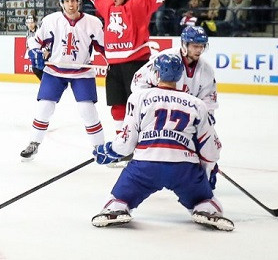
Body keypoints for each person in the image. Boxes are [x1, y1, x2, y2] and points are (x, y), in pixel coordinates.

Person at [90, 53, 233, 231]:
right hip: (184, 169)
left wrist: (109, 150)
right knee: (205, 199)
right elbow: (210, 148)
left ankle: (116, 208)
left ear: (156, 74)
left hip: (145, 167)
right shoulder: (197, 104)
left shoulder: (139, 97)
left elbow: (126, 142)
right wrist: (210, 169)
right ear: (180, 76)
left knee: (118, 199)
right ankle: (206, 209)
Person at [83, 0, 170, 139]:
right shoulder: (108, 5)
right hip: (113, 66)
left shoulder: (138, 3)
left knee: (138, 104)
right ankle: (122, 141)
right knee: (117, 104)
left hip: (136, 64)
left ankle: (142, 139)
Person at [20, 0, 106, 160]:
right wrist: (34, 52)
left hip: (82, 71)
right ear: (61, 3)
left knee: (87, 109)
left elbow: (105, 48)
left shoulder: (93, 22)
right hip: (54, 71)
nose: (71, 4)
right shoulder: (51, 20)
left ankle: (100, 147)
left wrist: (115, 64)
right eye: (66, 1)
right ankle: (34, 143)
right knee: (45, 106)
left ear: (78, 2)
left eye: (73, 0)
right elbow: (34, 42)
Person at [24, 14, 43, 80]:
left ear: (35, 22)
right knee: (35, 69)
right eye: (28, 23)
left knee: (42, 68)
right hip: (35, 54)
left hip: (42, 52)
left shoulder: (40, 30)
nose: (30, 24)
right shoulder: (28, 33)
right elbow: (27, 44)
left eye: (32, 22)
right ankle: (44, 83)